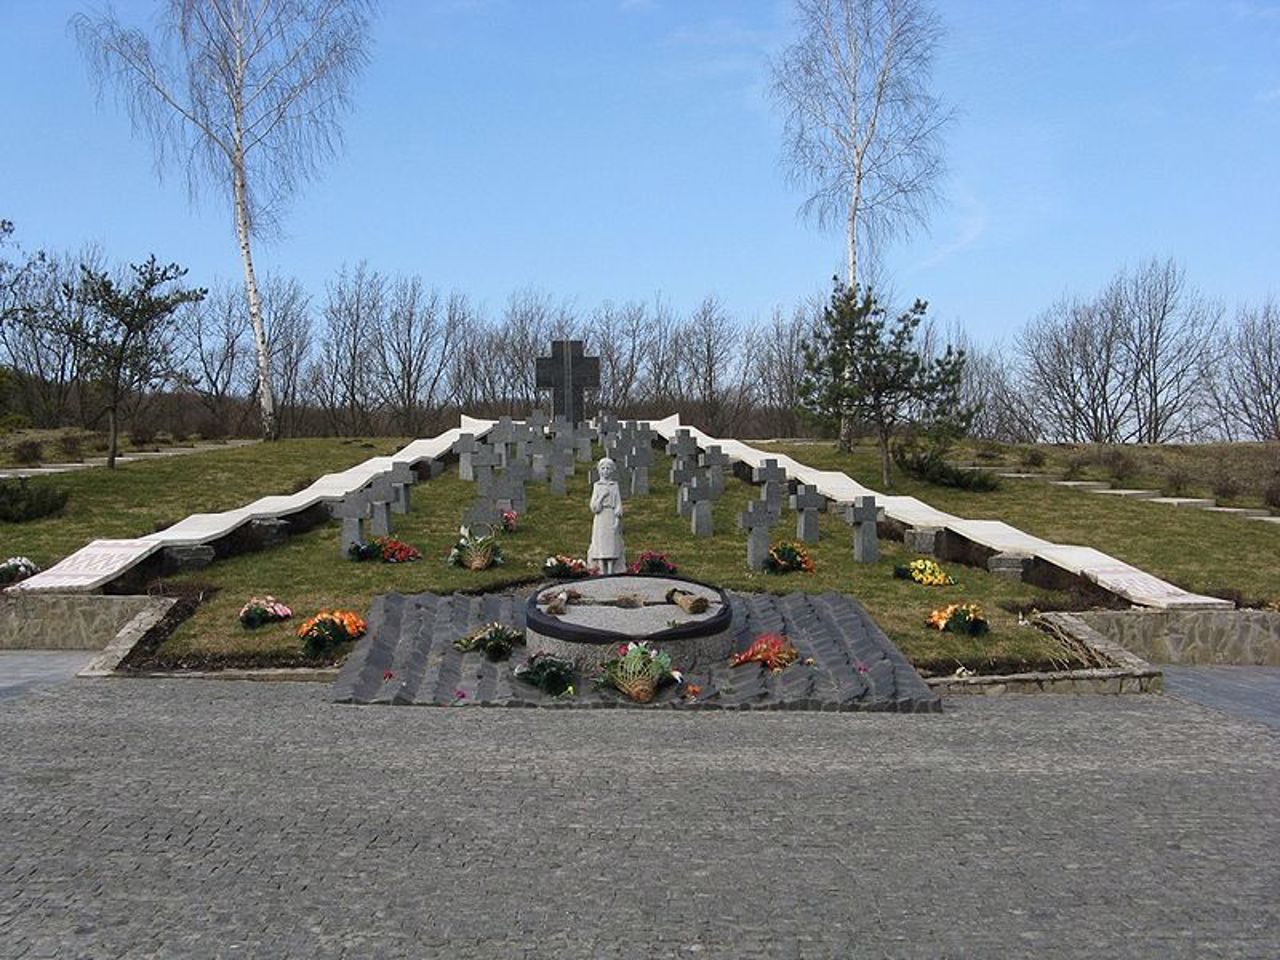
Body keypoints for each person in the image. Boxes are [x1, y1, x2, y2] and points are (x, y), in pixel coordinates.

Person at [588, 456, 625, 574]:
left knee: (612, 543)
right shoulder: (597, 486)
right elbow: (594, 507)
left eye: (608, 468)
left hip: (611, 515)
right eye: (603, 468)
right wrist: (602, 497)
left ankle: (611, 569)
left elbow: (618, 503)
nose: (605, 471)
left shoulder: (614, 485)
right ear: (599, 470)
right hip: (601, 517)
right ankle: (600, 569)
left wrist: (618, 516)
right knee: (601, 542)